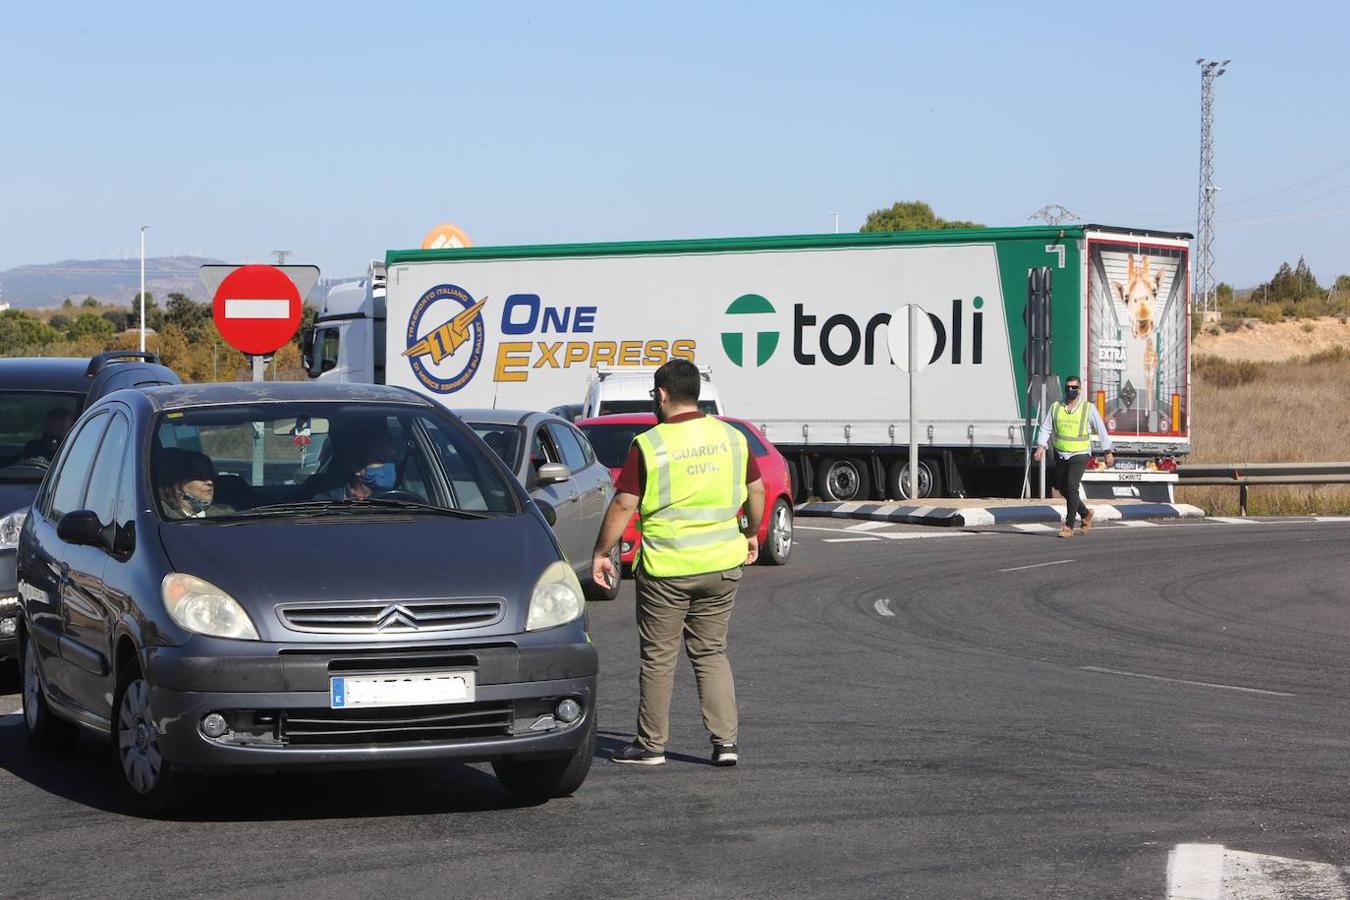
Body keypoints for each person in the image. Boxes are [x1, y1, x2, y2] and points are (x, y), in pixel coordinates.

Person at [591, 359, 765, 768]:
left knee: (659, 656)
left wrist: (601, 552)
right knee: (711, 653)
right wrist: (751, 532)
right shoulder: (731, 437)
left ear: (663, 395)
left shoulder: (649, 444)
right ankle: (726, 744)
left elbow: (624, 503)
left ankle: (651, 746)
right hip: (722, 565)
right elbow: (755, 490)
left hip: (668, 570)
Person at [1033, 376, 1114, 538]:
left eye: (1074, 387)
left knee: (1071, 486)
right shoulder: (1056, 407)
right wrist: (1041, 446)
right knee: (1062, 488)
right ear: (1065, 388)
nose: (1071, 390)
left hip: (1080, 453)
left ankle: (1069, 526)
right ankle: (1086, 514)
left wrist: (1107, 451)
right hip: (1061, 453)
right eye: (1068, 387)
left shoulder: (1087, 408)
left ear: (1079, 389)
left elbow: (1100, 429)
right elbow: (1046, 428)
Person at [315, 431, 398, 500]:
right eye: (381, 459)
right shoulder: (325, 505)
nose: (390, 466)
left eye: (392, 459)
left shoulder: (401, 503)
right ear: (356, 466)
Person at [158, 451, 234, 520]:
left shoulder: (226, 513)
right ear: (178, 484)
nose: (210, 482)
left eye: (211, 475)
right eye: (200, 476)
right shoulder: (161, 515)